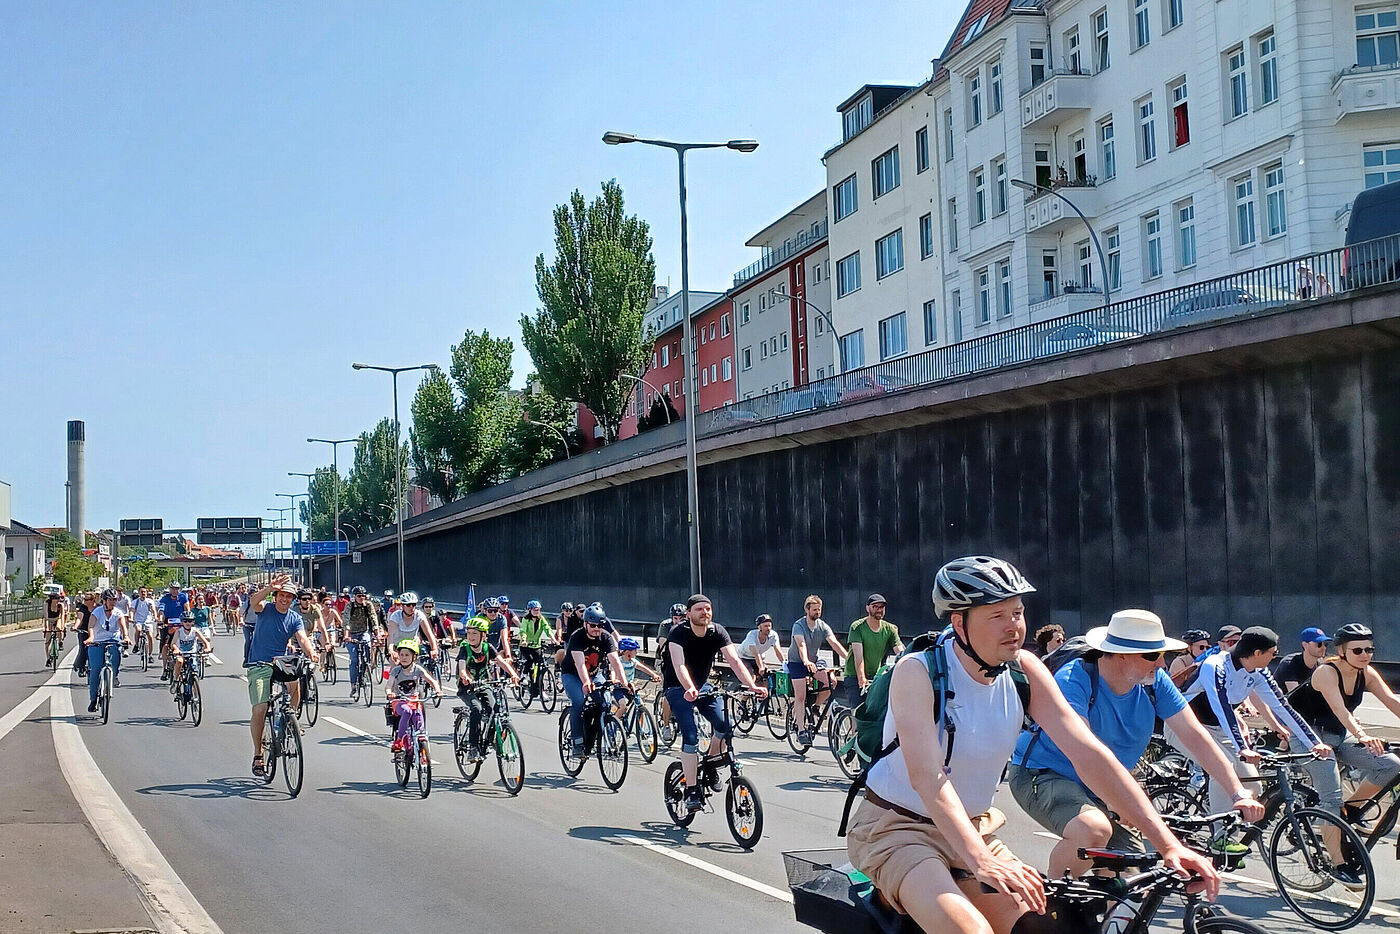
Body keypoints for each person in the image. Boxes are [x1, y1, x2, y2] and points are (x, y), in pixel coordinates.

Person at [845, 556, 1218, 934]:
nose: (1014, 626)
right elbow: (928, 777)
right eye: (997, 616)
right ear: (959, 623)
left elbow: (1090, 755)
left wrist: (1169, 845)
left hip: (972, 831)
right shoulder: (918, 671)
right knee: (968, 930)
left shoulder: (1024, 670)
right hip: (898, 831)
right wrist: (981, 861)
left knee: (1047, 926)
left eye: (1018, 612)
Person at [1008, 609, 1264, 877]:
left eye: (1164, 654)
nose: (1162, 664)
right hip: (1043, 774)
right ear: (1121, 655)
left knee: (1133, 878)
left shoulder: (1155, 682)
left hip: (1105, 784)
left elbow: (1195, 736)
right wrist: (1118, 803)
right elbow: (1087, 757)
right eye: (1153, 656)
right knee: (1092, 830)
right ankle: (1052, 910)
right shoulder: (1075, 679)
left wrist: (1237, 792)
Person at [1173, 625, 1333, 817]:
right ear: (1257, 653)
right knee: (1223, 767)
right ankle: (1219, 836)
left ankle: (1233, 823)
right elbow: (1222, 708)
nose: (1275, 657)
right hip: (1184, 725)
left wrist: (1314, 743)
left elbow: (1283, 707)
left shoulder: (1259, 672)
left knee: (1252, 781)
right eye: (1273, 653)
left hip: (1217, 727)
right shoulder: (1215, 665)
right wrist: (1241, 747)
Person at [661, 594, 768, 813]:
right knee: (690, 736)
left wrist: (752, 685)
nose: (705, 613)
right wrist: (689, 687)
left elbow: (735, 661)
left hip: (702, 686)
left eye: (708, 609)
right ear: (689, 614)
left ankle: (709, 764)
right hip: (677, 687)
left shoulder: (717, 631)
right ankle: (691, 790)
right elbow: (679, 665)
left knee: (724, 726)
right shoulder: (678, 633)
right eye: (699, 609)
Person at [1287, 623, 1400, 826]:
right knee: (1331, 800)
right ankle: (1329, 842)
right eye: (1357, 650)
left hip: (1339, 734)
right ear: (1341, 651)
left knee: (1391, 766)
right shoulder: (1326, 672)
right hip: (1310, 736)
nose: (1365, 655)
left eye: (1369, 649)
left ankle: (1350, 810)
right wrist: (1362, 735)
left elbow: (1392, 701)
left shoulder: (1366, 672)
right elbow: (1340, 710)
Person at [245, 575, 320, 778]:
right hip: (259, 663)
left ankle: (289, 719)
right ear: (276, 596)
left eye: (289, 597)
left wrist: (311, 652)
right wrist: (269, 587)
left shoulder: (294, 618)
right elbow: (254, 602)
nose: (285, 599)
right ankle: (258, 754)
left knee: (295, 685)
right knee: (260, 707)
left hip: (280, 662)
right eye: (282, 595)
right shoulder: (266, 609)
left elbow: (302, 638)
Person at [561, 605, 631, 757]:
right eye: (593, 625)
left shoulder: (606, 637)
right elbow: (580, 665)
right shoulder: (577, 637)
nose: (596, 629)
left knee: (604, 702)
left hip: (594, 674)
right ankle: (577, 741)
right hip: (572, 674)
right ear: (585, 624)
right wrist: (586, 682)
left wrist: (624, 682)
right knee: (579, 701)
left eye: (600, 625)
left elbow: (615, 662)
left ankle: (595, 736)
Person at [455, 617, 520, 757]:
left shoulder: (487, 647)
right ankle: (473, 747)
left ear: (483, 635)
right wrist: (464, 676)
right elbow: (461, 666)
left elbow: (502, 662)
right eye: (469, 633)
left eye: (475, 633)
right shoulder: (464, 648)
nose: (471, 637)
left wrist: (513, 674)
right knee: (477, 709)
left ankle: (491, 740)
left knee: (494, 709)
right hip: (467, 687)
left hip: (484, 684)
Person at [788, 594, 848, 746]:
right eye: (814, 609)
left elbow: (833, 642)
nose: (817, 612)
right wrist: (805, 660)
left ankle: (816, 706)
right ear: (807, 610)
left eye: (819, 609)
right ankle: (801, 730)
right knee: (800, 695)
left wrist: (849, 659)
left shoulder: (822, 625)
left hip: (814, 661)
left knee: (831, 682)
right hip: (797, 662)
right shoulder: (799, 625)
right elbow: (801, 645)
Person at [843, 594, 904, 705]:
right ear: (867, 608)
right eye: (875, 606)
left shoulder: (890, 629)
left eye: (881, 607)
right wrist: (861, 679)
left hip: (875, 677)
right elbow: (858, 657)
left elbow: (900, 652)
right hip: (854, 676)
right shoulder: (857, 627)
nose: (878, 610)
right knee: (858, 714)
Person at [386, 640, 442, 760]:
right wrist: (390, 693)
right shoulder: (396, 670)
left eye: (407, 655)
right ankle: (400, 740)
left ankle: (422, 751)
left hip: (414, 701)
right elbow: (389, 685)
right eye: (401, 655)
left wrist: (437, 690)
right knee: (407, 712)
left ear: (414, 657)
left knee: (419, 721)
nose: (404, 658)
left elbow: (432, 681)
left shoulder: (417, 669)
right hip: (399, 701)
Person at [84, 589, 129, 712]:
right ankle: (93, 699)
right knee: (95, 670)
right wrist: (91, 637)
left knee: (116, 654)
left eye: (114, 600)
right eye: (110, 600)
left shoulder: (118, 613)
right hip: (97, 642)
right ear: (104, 600)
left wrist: (125, 636)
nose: (113, 602)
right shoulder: (97, 612)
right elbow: (91, 626)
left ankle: (114, 675)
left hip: (112, 640)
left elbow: (123, 626)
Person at [343, 586, 382, 699]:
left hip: (364, 632)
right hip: (352, 634)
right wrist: (346, 635)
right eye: (359, 596)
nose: (361, 598)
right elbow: (346, 621)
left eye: (363, 596)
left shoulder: (368, 605)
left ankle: (366, 669)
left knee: (368, 646)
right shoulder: (350, 606)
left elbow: (373, 619)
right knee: (354, 659)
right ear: (354, 597)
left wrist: (377, 634)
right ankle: (353, 686)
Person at [385, 591, 439, 662]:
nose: (411, 607)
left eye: (413, 605)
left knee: (419, 668)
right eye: (408, 605)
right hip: (397, 647)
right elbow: (391, 636)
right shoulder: (395, 616)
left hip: (412, 647)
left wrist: (434, 648)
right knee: (395, 665)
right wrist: (391, 650)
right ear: (403, 606)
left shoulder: (419, 615)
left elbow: (429, 634)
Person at [1274, 627, 1332, 693]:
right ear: (1305, 645)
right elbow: (1295, 697)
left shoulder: (1321, 665)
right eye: (1319, 644)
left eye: (1325, 644)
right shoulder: (1290, 664)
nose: (1323, 648)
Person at [734, 614, 785, 684]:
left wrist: (784, 664)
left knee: (765, 676)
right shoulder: (752, 635)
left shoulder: (773, 635)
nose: (768, 628)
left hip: (759, 657)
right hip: (744, 657)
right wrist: (761, 667)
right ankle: (747, 690)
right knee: (751, 677)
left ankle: (762, 692)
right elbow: (756, 653)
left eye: (769, 626)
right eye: (765, 626)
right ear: (759, 627)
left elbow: (778, 650)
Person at [517, 600, 553, 696]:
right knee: (530, 660)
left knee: (541, 666)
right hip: (526, 646)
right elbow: (523, 630)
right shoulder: (526, 619)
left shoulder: (541, 619)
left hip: (537, 646)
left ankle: (539, 689)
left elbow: (547, 629)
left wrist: (554, 639)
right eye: (535, 610)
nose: (537, 611)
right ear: (530, 610)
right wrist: (524, 640)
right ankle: (524, 676)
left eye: (538, 610)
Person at [156, 582, 190, 680]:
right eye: (173, 589)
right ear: (170, 589)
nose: (175, 591)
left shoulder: (183, 597)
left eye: (177, 589)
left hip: (181, 622)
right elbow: (161, 611)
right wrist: (160, 620)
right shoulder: (164, 599)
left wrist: (188, 619)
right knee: (165, 645)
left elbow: (187, 608)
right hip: (168, 623)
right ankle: (165, 669)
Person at [171, 615, 212, 688]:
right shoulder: (179, 631)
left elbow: (205, 642)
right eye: (185, 621)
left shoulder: (195, 631)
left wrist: (207, 648)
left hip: (192, 653)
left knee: (194, 670)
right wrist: (176, 649)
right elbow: (173, 643)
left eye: (190, 621)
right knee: (179, 661)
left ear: (193, 622)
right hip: (182, 653)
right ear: (182, 622)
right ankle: (175, 681)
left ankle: (194, 688)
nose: (187, 623)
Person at [71, 591, 95, 676]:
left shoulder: (98, 608)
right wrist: (75, 627)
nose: (84, 601)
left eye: (87, 599)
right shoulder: (83, 608)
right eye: (84, 599)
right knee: (83, 649)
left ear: (93, 600)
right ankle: (81, 667)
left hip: (95, 632)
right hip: (83, 631)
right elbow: (79, 618)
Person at [130, 587, 158, 660]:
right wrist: (131, 618)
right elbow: (132, 611)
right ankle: (136, 645)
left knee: (150, 636)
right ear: (139, 593)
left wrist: (155, 617)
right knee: (138, 630)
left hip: (148, 621)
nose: (143, 593)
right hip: (138, 621)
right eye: (141, 592)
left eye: (144, 592)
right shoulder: (135, 602)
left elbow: (153, 610)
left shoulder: (150, 601)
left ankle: (150, 655)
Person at [43, 589, 66, 657]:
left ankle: (60, 642)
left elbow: (62, 616)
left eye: (59, 599)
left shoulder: (60, 605)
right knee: (47, 642)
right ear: (52, 599)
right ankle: (48, 658)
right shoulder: (47, 604)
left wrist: (63, 626)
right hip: (49, 619)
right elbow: (46, 617)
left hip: (57, 619)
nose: (58, 601)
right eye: (57, 599)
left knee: (59, 628)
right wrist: (46, 628)